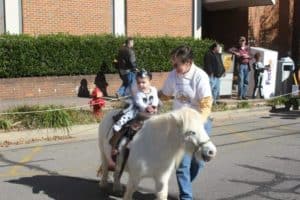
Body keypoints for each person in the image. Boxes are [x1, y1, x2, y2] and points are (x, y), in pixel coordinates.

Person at [159, 45, 213, 200]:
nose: (174, 67)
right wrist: (150, 94)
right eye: (173, 64)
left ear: (188, 62)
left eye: (177, 64)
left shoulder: (200, 76)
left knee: (199, 162)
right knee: (182, 165)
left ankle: (186, 184)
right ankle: (186, 197)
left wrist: (197, 125)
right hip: (180, 126)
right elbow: (166, 94)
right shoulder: (173, 75)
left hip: (199, 123)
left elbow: (206, 103)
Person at [107, 69, 159, 169]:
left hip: (152, 110)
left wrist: (154, 106)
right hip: (139, 111)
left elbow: (155, 98)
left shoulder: (153, 90)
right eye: (139, 82)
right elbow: (139, 102)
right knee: (123, 122)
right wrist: (146, 107)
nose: (141, 85)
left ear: (149, 81)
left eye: (144, 82)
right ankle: (117, 145)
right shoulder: (139, 93)